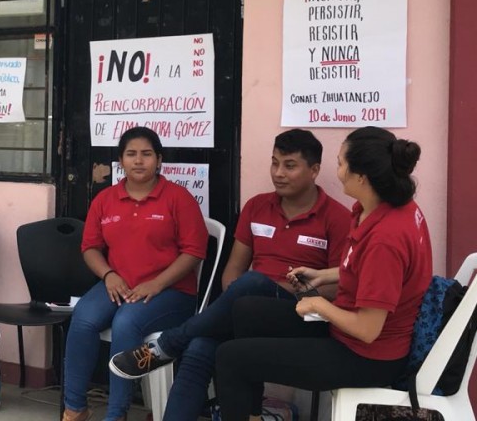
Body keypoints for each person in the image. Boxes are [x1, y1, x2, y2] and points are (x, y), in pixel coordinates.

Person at [109, 128, 351, 420]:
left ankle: (169, 344)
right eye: (274, 163)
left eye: (289, 165)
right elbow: (232, 271)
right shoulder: (257, 207)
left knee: (252, 283)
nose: (278, 173)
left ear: (314, 170)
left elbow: (336, 289)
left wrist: (267, 291)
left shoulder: (337, 218)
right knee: (200, 347)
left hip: (302, 314)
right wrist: (242, 304)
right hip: (247, 309)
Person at [214, 126, 433, 421]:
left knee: (230, 359)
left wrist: (320, 305)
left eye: (341, 163)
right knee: (246, 310)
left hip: (366, 356)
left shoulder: (386, 238)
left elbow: (368, 330)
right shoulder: (388, 207)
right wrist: (327, 275)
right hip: (348, 328)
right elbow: (375, 273)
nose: (337, 170)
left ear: (361, 178)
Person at [62, 126, 209, 421]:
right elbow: (90, 247)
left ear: (159, 160)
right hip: (118, 284)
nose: (139, 161)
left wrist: (156, 283)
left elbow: (194, 251)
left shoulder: (178, 198)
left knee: (126, 323)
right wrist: (108, 274)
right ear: (121, 161)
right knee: (83, 320)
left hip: (171, 291)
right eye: (131, 154)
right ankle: (75, 408)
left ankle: (117, 413)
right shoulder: (106, 199)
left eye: (146, 154)